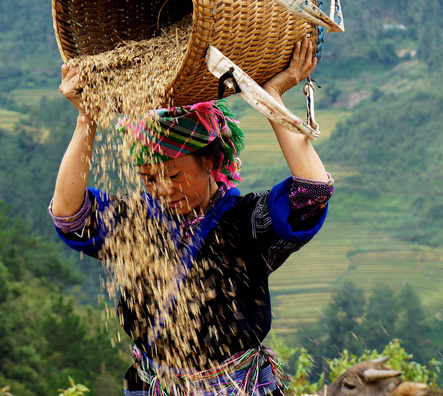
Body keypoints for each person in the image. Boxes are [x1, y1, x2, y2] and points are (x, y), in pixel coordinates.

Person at [49, 38, 334, 396]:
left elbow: (313, 192)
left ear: (212, 163)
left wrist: (271, 98)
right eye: (149, 178)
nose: (163, 189)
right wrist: (86, 117)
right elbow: (68, 214)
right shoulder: (135, 220)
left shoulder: (246, 221)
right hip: (155, 385)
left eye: (173, 175)